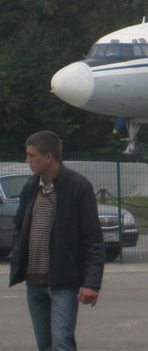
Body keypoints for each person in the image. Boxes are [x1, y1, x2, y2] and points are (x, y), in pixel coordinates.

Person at [8, 130, 105, 351]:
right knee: (45, 345)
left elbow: (93, 239)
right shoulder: (31, 188)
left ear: (49, 157)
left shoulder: (77, 187)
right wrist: (18, 252)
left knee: (62, 342)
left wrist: (91, 283)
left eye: (32, 156)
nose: (27, 161)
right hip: (34, 283)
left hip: (63, 283)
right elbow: (19, 227)